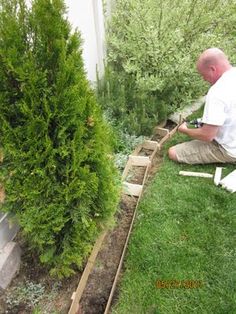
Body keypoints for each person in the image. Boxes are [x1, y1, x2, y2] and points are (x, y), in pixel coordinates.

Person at [168, 47, 236, 164]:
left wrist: (185, 130)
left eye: (203, 75)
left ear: (212, 69)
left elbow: (207, 136)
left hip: (230, 149)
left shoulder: (217, 92)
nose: (204, 79)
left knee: (173, 152)